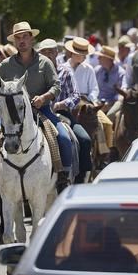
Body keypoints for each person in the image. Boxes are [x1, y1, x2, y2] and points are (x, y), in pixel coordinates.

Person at [0, 22, 73, 192]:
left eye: (25, 36)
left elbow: (56, 86)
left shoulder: (45, 62)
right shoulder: (6, 64)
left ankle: (63, 177)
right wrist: (0, 103)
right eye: (18, 38)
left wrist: (44, 97)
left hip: (41, 110)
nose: (21, 40)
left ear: (31, 38)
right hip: (12, 114)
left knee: (63, 137)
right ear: (14, 42)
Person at [38, 39, 93, 182]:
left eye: (51, 51)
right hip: (37, 113)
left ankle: (79, 179)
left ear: (57, 53)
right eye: (44, 52)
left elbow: (75, 96)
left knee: (84, 139)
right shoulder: (35, 71)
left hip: (61, 113)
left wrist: (60, 104)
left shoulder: (65, 71)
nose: (48, 54)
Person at [63, 37, 99, 102]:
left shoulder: (89, 69)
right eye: (83, 54)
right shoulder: (62, 68)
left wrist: (88, 100)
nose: (85, 57)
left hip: (85, 103)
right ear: (75, 54)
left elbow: (94, 89)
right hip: (65, 103)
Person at [96, 46, 125, 121]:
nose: (98, 58)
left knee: (110, 116)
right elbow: (94, 88)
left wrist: (109, 103)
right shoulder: (97, 70)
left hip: (112, 103)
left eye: (100, 57)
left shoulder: (120, 73)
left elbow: (121, 93)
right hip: (98, 102)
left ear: (108, 59)